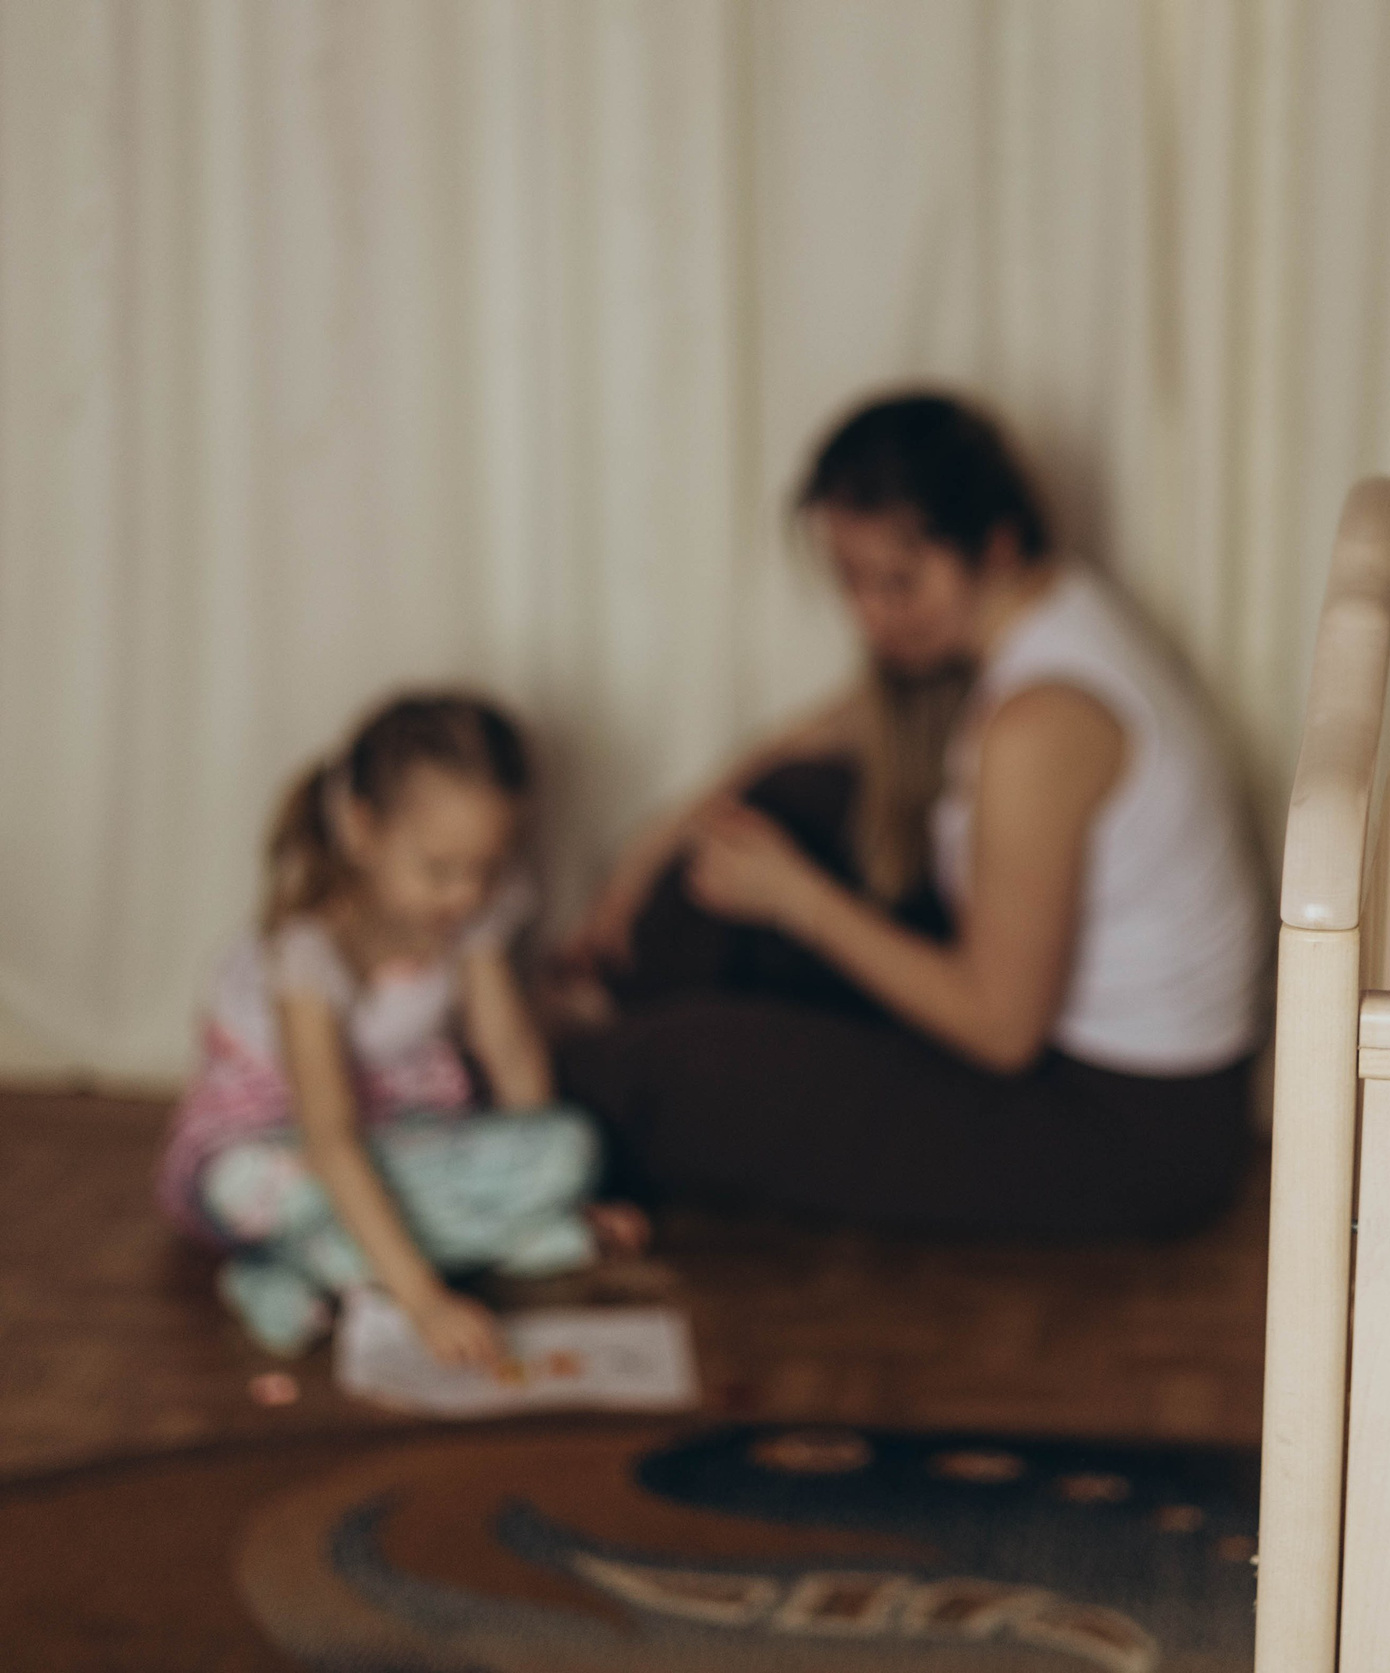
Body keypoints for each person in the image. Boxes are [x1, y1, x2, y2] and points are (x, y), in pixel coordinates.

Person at [556, 392, 1267, 1238]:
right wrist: (654, 844)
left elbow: (1002, 1031)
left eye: (898, 582)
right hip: (1081, 1059)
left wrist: (799, 899)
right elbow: (811, 736)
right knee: (779, 806)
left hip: (1123, 1130)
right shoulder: (1048, 607)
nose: (871, 615)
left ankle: (549, 1072)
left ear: (994, 547)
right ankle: (601, 1003)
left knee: (667, 1072)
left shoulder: (1042, 722)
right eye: (851, 583)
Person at [156, 694, 637, 1366]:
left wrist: (557, 1180)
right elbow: (329, 1135)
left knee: (569, 1145)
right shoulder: (307, 951)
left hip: (404, 1137)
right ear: (361, 829)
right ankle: (376, 1256)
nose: (466, 894)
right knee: (258, 1185)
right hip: (290, 1145)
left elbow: (508, 1050)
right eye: (439, 870)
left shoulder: (473, 916)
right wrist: (425, 1300)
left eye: (487, 869)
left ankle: (335, 1264)